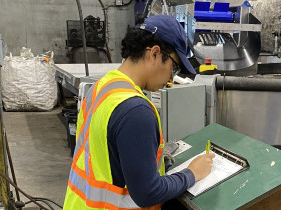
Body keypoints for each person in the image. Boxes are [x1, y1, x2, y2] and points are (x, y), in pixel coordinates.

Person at [63, 15, 215, 209]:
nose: (171, 78)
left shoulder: (102, 87)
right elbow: (148, 193)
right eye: (174, 67)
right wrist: (192, 173)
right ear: (154, 53)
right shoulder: (136, 110)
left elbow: (107, 156)